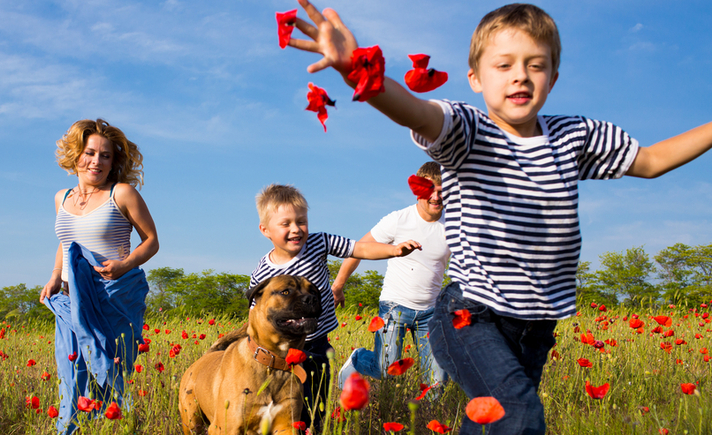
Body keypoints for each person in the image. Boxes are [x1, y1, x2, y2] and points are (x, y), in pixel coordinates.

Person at [283, 1, 712, 433]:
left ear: (554, 77)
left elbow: (652, 160)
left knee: (491, 421)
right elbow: (418, 112)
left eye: (536, 64)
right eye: (503, 64)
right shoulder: (469, 133)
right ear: (475, 78)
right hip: (472, 316)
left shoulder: (574, 136)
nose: (520, 74)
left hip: (537, 324)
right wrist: (361, 75)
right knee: (520, 414)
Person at [250, 183, 420, 429]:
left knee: (316, 410)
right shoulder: (262, 272)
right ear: (265, 230)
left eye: (301, 221)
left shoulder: (318, 243)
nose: (296, 229)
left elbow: (358, 248)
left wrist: (393, 250)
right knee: (288, 413)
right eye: (285, 224)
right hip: (283, 353)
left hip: (317, 345)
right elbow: (255, 315)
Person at [39, 119, 158, 434]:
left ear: (113, 161)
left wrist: (123, 265)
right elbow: (66, 243)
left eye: (105, 156)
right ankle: (71, 428)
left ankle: (115, 427)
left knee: (110, 368)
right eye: (90, 153)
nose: (97, 161)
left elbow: (151, 241)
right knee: (72, 368)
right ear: (76, 155)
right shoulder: (61, 198)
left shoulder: (121, 193)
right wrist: (55, 275)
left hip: (113, 295)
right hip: (71, 297)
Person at [332, 162, 450, 392]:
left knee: (436, 382)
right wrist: (338, 285)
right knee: (386, 370)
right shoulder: (398, 220)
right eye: (429, 190)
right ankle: (358, 358)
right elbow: (358, 249)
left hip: (432, 312)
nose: (436, 197)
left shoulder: (454, 224)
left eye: (442, 190)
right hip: (395, 306)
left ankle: (422, 422)